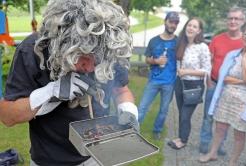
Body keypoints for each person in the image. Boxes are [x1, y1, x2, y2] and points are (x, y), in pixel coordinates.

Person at [0, 0, 139, 165]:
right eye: (84, 56)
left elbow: (122, 91)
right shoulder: (34, 50)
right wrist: (50, 93)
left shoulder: (109, 48)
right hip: (49, 160)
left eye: (98, 60)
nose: (90, 68)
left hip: (96, 155)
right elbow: (7, 116)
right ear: (62, 44)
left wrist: (128, 111)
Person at [199, 22, 246, 166]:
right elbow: (223, 77)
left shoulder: (245, 57)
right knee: (220, 127)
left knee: (239, 134)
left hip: (245, 102)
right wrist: (241, 81)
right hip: (226, 97)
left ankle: (232, 162)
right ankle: (212, 153)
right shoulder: (233, 54)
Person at [167, 17, 211, 149]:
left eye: (194, 26)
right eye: (189, 25)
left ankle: (183, 140)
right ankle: (181, 137)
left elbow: (207, 70)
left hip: (194, 86)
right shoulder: (182, 44)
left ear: (199, 31)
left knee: (186, 115)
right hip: (180, 83)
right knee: (181, 113)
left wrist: (187, 72)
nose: (190, 28)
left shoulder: (202, 47)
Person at [137, 11, 179, 140]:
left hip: (170, 82)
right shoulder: (154, 41)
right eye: (171, 21)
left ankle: (157, 130)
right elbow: (147, 59)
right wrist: (156, 61)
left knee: (164, 110)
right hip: (154, 80)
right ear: (165, 21)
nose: (173, 25)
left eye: (176, 23)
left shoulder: (178, 42)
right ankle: (134, 129)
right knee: (143, 107)